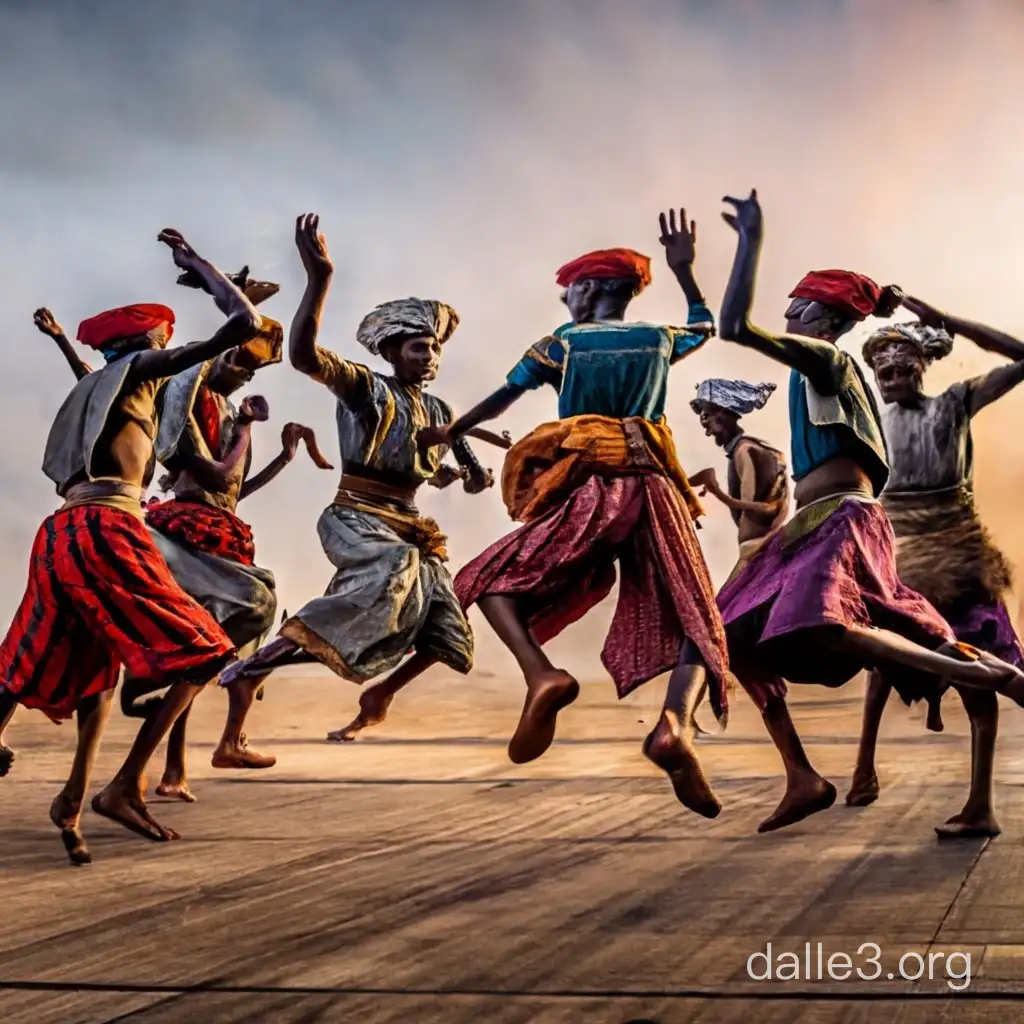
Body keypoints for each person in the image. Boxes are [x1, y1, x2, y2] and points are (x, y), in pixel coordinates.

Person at [681, 188, 1024, 834]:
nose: (788, 310)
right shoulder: (844, 385)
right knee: (731, 632)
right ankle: (813, 773)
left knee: (863, 631)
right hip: (850, 528)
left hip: (889, 529)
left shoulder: (843, 366)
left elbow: (735, 328)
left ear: (818, 315)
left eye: (797, 305)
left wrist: (750, 240)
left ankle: (987, 707)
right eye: (886, 361)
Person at [420, 208, 733, 818]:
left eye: (569, 291)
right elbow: (705, 325)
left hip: (589, 485)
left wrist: (451, 429)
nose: (565, 300)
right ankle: (675, 724)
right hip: (654, 486)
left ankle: (542, 676)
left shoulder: (561, 344)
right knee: (697, 614)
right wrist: (686, 272)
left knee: (487, 579)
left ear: (590, 290)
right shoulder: (659, 340)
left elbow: (502, 397)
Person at [0, 229, 263, 862]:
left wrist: (63, 340)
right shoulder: (142, 371)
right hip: (108, 525)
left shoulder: (94, 388)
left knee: (62, 664)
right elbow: (244, 324)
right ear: (151, 345)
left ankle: (72, 800)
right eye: (166, 344)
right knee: (207, 652)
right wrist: (198, 265)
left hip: (60, 529)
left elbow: (94, 376)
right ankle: (123, 787)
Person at [215, 214, 497, 759]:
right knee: (391, 577)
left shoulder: (441, 409)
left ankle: (378, 694)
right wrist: (319, 280)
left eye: (435, 349)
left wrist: (468, 471)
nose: (429, 358)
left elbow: (455, 475)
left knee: (447, 628)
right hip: (357, 516)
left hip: (409, 525)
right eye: (418, 348)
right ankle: (252, 667)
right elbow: (304, 358)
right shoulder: (366, 388)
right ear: (392, 352)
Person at [847, 307, 1024, 838]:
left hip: (958, 554)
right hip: (898, 555)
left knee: (979, 674)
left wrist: (946, 318)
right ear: (877, 377)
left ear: (922, 368)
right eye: (887, 374)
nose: (897, 380)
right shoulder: (871, 422)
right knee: (884, 659)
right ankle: (862, 768)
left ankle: (980, 803)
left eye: (905, 370)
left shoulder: (953, 403)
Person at [688, 378, 789, 576]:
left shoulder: (746, 450)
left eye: (707, 413)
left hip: (756, 552)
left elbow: (763, 509)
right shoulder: (742, 450)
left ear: (725, 412)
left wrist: (716, 490)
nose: (703, 420)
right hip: (754, 552)